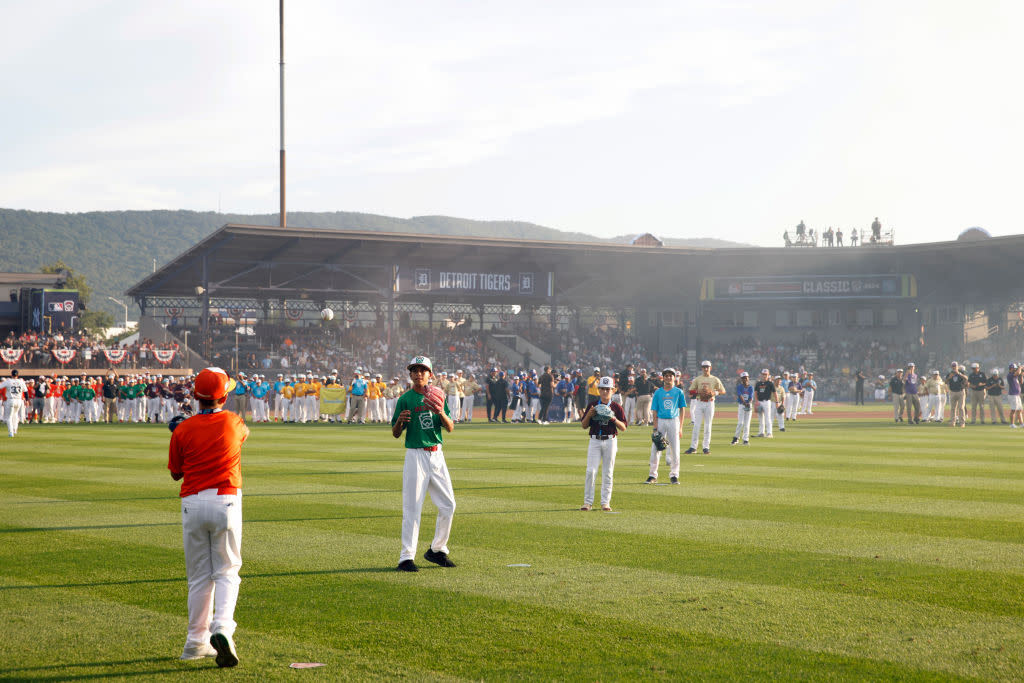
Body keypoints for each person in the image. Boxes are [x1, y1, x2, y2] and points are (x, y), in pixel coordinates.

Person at [167, 367, 249, 667]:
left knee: (199, 577)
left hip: (191, 501)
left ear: (195, 395)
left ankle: (194, 643)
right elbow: (242, 435)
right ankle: (223, 628)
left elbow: (176, 473)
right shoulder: (233, 421)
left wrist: (182, 430)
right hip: (225, 498)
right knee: (226, 571)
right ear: (224, 396)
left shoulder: (183, 429)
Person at [391, 355, 456, 572]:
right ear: (410, 374)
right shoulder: (405, 399)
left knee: (449, 505)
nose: (419, 374)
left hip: (437, 454)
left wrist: (439, 412)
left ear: (430, 374)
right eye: (415, 370)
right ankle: (406, 558)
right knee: (412, 507)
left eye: (423, 370)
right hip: (415, 454)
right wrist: (400, 420)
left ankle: (437, 550)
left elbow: (449, 427)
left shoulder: (438, 395)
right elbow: (396, 433)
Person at [581, 376, 626, 511]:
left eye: (608, 389)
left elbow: (623, 427)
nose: (605, 392)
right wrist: (589, 414)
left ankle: (605, 502)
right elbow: (584, 425)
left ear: (613, 390)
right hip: (595, 440)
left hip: (610, 440)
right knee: (591, 471)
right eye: (602, 389)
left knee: (608, 472)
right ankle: (587, 502)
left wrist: (613, 418)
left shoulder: (616, 407)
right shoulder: (592, 405)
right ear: (598, 390)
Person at [647, 368, 686, 484]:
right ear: (663, 378)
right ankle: (652, 475)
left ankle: (674, 474)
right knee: (656, 448)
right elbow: (654, 410)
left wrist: (680, 427)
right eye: (666, 375)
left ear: (674, 377)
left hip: (674, 421)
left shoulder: (679, 392)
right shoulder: (658, 392)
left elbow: (682, 409)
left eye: (671, 375)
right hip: (661, 421)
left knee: (675, 449)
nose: (668, 377)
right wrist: (655, 427)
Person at [685, 360, 726, 454]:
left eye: (707, 367)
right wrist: (699, 392)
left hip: (710, 402)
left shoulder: (715, 379)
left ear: (710, 368)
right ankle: (693, 447)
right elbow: (690, 391)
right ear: (702, 368)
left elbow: (723, 391)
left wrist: (714, 393)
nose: (706, 369)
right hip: (699, 402)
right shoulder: (698, 379)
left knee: (708, 425)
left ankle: (706, 447)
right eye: (704, 367)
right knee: (696, 425)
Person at [0, 370, 28, 437]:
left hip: (10, 400)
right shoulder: (21, 382)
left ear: (11, 375)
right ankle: (15, 429)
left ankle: (11, 432)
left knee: (8, 417)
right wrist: (27, 400)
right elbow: (26, 392)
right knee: (15, 415)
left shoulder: (8, 381)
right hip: (19, 400)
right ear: (17, 375)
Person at [731, 371, 754, 445]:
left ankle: (745, 439)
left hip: (749, 405)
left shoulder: (751, 387)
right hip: (742, 405)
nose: (745, 379)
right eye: (743, 378)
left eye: (746, 378)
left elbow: (751, 397)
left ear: (748, 378)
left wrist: (749, 403)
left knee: (747, 424)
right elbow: (740, 395)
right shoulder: (739, 387)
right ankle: (736, 438)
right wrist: (745, 403)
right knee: (740, 423)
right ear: (741, 379)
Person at [753, 369, 776, 438]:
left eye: (766, 374)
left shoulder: (770, 383)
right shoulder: (758, 383)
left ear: (768, 375)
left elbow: (774, 393)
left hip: (767, 401)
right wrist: (756, 401)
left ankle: (769, 433)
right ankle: (761, 432)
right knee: (760, 418)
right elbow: (755, 393)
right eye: (763, 374)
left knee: (768, 417)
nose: (764, 376)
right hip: (760, 401)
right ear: (761, 375)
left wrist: (777, 402)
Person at [946, 362, 968, 428]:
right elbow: (945, 382)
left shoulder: (961, 372)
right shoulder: (950, 374)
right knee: (953, 408)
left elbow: (966, 378)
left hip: (960, 391)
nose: (954, 367)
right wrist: (949, 378)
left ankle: (962, 423)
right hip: (952, 392)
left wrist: (959, 374)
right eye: (953, 366)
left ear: (957, 366)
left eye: (955, 366)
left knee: (961, 408)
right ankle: (953, 422)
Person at [1007, 363, 1022, 428]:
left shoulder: (1014, 375)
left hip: (1017, 395)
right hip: (1013, 395)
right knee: (1013, 410)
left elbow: (1021, 382)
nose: (1015, 369)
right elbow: (1017, 373)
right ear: (1011, 368)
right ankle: (1012, 424)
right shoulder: (1010, 375)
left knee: (1019, 410)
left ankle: (1022, 424)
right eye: (1014, 368)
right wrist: (1020, 368)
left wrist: (1021, 374)